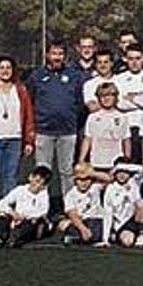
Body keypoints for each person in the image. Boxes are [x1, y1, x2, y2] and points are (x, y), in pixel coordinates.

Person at [0, 55, 36, 234]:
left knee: (10, 180)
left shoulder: (21, 90)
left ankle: (6, 215)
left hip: (15, 140)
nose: (5, 71)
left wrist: (29, 140)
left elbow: (28, 117)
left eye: (8, 68)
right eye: (1, 67)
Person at [28, 40, 84, 194]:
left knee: (67, 172)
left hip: (68, 132)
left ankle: (69, 208)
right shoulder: (37, 76)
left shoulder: (74, 76)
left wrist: (71, 120)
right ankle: (39, 209)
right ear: (47, 55)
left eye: (60, 54)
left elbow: (80, 103)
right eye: (54, 53)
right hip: (43, 132)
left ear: (65, 56)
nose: (57, 57)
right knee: (42, 173)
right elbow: (29, 102)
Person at [0, 165, 52, 248]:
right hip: (16, 219)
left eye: (41, 184)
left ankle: (15, 238)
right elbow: (2, 203)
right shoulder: (20, 190)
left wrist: (24, 216)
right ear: (30, 177)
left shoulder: (43, 195)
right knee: (2, 214)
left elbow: (43, 211)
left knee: (34, 221)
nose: (37, 185)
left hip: (28, 222)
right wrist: (12, 213)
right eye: (36, 181)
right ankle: (0, 237)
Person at [77, 82, 131, 171]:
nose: (106, 98)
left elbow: (126, 140)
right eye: (103, 96)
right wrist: (81, 160)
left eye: (110, 95)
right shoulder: (92, 117)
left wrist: (127, 159)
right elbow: (87, 139)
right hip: (96, 162)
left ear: (116, 97)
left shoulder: (122, 117)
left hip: (115, 163)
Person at [59, 163, 108, 246]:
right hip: (81, 221)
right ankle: (80, 237)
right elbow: (72, 214)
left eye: (87, 179)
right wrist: (83, 229)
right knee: (65, 225)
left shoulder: (95, 187)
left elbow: (109, 179)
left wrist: (91, 173)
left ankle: (77, 238)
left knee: (98, 229)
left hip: (96, 220)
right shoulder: (70, 195)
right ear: (75, 180)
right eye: (80, 180)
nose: (84, 183)